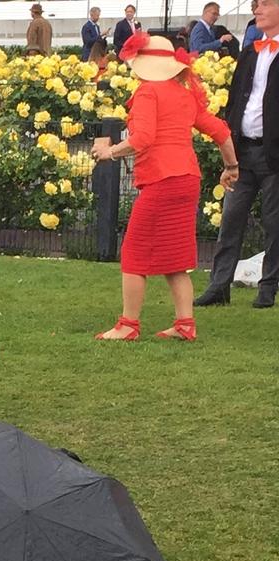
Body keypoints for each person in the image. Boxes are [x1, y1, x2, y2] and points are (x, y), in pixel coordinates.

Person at [91, 33, 237, 340]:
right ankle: (185, 324)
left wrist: (110, 152)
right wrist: (231, 168)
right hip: (187, 180)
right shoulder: (184, 94)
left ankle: (128, 325)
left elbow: (143, 138)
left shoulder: (147, 93)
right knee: (176, 258)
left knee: (133, 253)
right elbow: (221, 132)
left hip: (162, 180)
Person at [195, 0, 279, 309]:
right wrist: (229, 143)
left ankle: (268, 288)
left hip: (274, 156)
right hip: (243, 151)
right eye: (255, 5)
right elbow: (235, 99)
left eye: (265, 4)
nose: (257, 9)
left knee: (274, 224)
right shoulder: (250, 49)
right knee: (230, 219)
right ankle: (219, 286)